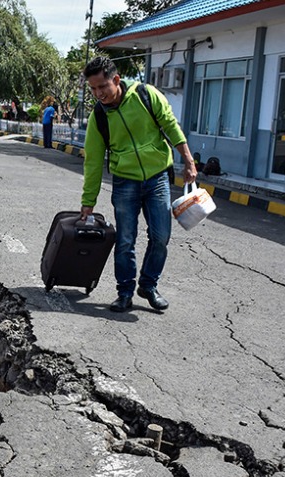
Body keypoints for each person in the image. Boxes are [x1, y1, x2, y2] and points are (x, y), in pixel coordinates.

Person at [81, 56, 197, 313]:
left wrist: (188, 160)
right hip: (125, 182)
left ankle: (148, 285)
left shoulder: (146, 95)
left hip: (157, 178)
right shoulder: (99, 117)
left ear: (116, 80)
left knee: (161, 236)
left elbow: (170, 125)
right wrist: (88, 202)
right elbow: (93, 161)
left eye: (102, 87)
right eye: (93, 89)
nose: (98, 93)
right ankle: (124, 293)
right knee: (125, 240)